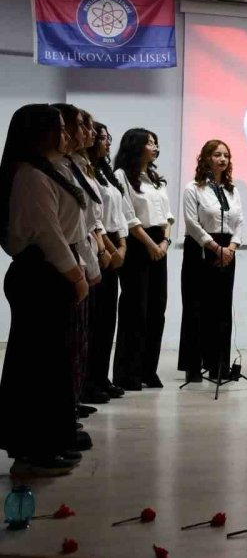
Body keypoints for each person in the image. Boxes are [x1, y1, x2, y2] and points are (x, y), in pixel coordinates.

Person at [0, 104, 89, 476]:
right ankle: (33, 450)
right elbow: (48, 234)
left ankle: (50, 439)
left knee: (52, 363)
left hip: (53, 271)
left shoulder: (49, 170)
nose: (68, 134)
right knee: (36, 365)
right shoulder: (30, 175)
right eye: (60, 128)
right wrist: (76, 275)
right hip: (42, 273)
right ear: (40, 133)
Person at [179, 140, 243, 383]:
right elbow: (192, 223)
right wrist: (215, 247)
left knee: (221, 308)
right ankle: (193, 365)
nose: (223, 159)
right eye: (217, 154)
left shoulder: (231, 190)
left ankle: (219, 364)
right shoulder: (193, 188)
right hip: (201, 249)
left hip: (228, 249)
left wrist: (232, 247)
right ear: (206, 158)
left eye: (226, 155)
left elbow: (239, 221)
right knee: (197, 307)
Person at [114, 129, 173, 391]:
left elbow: (167, 217)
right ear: (136, 146)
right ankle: (129, 372)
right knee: (135, 309)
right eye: (150, 142)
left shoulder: (156, 179)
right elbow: (129, 216)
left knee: (156, 309)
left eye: (156, 142)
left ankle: (149, 369)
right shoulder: (122, 176)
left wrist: (164, 242)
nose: (155, 146)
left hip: (159, 243)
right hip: (138, 244)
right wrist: (151, 244)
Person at [57, 105, 104, 409]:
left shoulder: (78, 164)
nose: (89, 132)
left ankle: (72, 402)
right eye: (81, 126)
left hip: (84, 253)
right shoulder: (56, 168)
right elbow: (62, 227)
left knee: (80, 339)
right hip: (66, 259)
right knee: (64, 345)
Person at [85, 121, 128, 402]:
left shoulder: (105, 173)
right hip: (100, 247)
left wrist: (123, 245)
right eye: (102, 137)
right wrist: (110, 249)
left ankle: (101, 376)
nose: (107, 142)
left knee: (106, 321)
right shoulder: (84, 172)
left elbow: (120, 214)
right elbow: (94, 218)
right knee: (94, 319)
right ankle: (88, 381)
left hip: (114, 245)